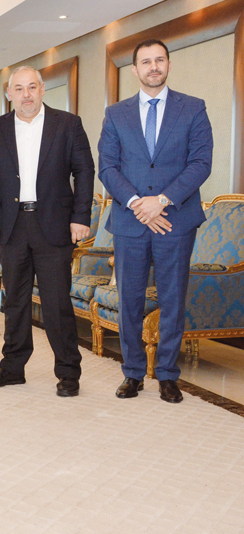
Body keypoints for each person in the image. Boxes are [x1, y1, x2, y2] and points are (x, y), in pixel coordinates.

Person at [98, 39, 213, 403]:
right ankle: (132, 373)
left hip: (175, 219)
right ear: (134, 69)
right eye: (145, 62)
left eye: (159, 60)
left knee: (173, 298)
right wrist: (137, 203)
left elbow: (200, 163)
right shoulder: (116, 114)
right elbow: (108, 167)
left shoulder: (193, 108)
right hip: (131, 221)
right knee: (129, 298)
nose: (153, 67)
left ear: (168, 64)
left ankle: (167, 375)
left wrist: (160, 201)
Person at [0, 65, 95, 396]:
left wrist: (80, 216)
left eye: (32, 87)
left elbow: (84, 171)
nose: (26, 94)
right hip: (12, 225)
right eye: (19, 88)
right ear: (9, 94)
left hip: (55, 225)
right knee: (14, 300)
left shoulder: (68, 125)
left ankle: (68, 372)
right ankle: (12, 368)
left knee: (57, 302)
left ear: (43, 90)